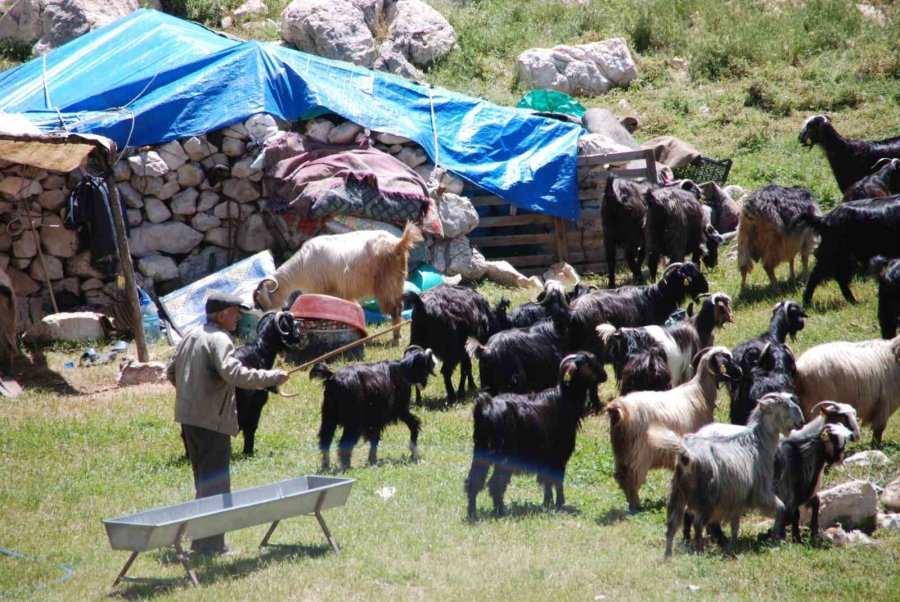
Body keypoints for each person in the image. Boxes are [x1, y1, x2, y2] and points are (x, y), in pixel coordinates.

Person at [166, 291, 289, 554]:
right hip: (211, 422)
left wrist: (192, 395)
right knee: (217, 486)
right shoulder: (220, 339)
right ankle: (212, 547)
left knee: (203, 484)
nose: (239, 316)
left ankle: (202, 542)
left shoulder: (192, 335)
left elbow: (170, 370)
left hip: (189, 420)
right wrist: (270, 377)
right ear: (221, 315)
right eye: (235, 311)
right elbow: (234, 373)